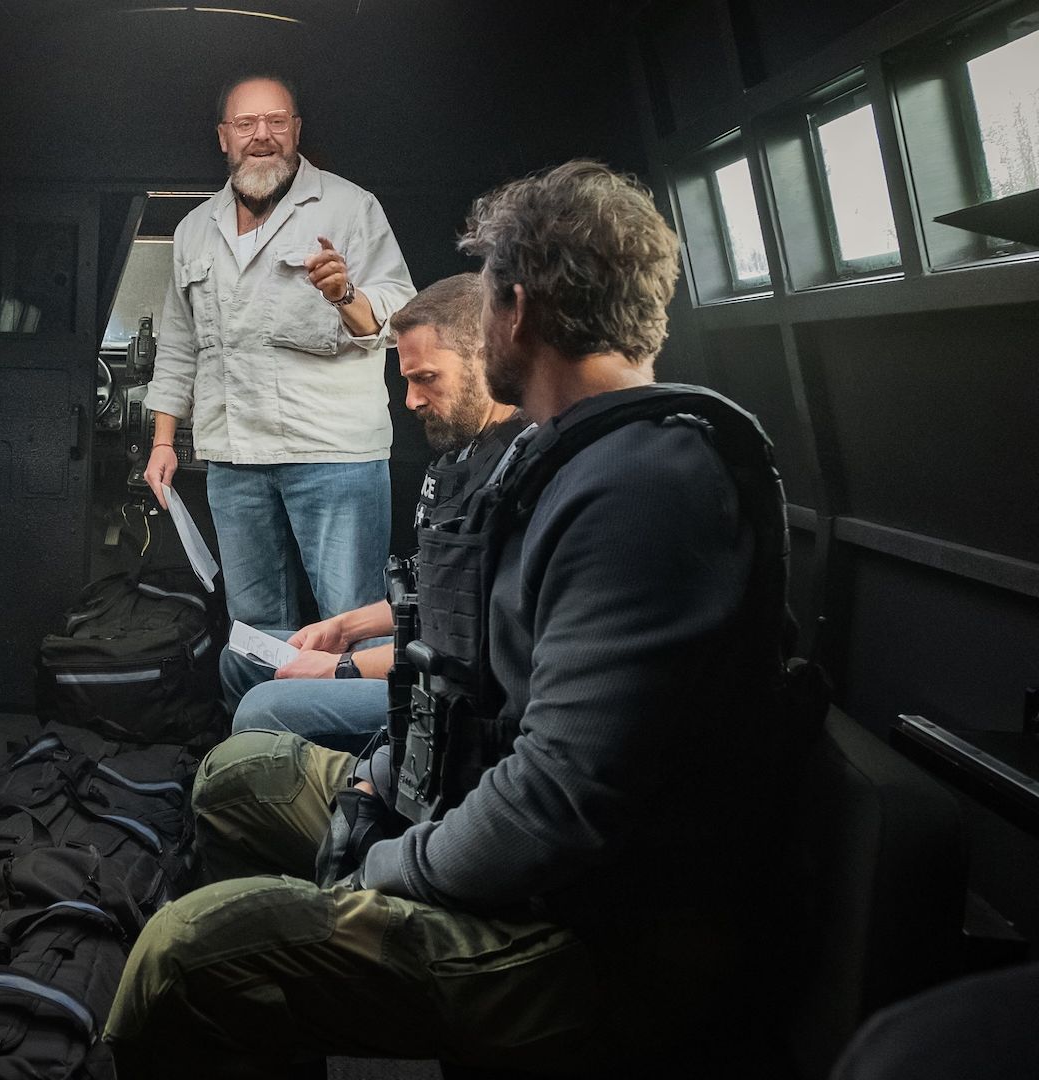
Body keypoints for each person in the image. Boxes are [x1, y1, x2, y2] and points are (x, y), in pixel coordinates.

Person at [106, 161, 798, 1077]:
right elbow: (460, 685)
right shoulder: (550, 463)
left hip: (576, 940)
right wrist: (372, 789)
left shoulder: (641, 489)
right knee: (240, 779)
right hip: (475, 817)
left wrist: (383, 868)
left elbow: (555, 805)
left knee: (185, 959)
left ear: (517, 311)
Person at [142, 74, 415, 630]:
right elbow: (179, 344)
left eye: (276, 121)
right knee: (254, 624)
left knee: (352, 620)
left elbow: (402, 313)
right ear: (224, 136)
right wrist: (163, 441)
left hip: (334, 455)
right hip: (233, 458)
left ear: (296, 129)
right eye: (246, 123)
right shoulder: (194, 229)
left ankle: (349, 695)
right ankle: (264, 694)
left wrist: (346, 295)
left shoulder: (349, 207)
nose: (261, 135)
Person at [217, 273, 528, 748]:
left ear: (489, 357)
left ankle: (353, 787)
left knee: (264, 707)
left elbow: (465, 645)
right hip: (426, 649)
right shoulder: (465, 452)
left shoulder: (520, 472)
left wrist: (341, 667)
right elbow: (433, 588)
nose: (411, 400)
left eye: (426, 378)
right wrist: (342, 627)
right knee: (241, 657)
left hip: (460, 696)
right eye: (407, 380)